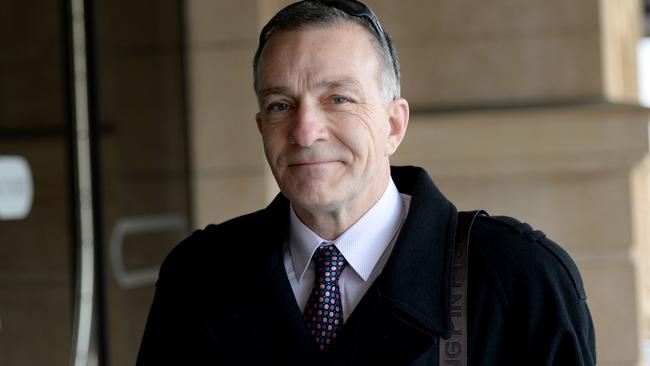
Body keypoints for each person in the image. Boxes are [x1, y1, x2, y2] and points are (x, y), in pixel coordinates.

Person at [137, 1, 596, 365]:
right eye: (281, 105)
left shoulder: (520, 278)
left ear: (393, 126)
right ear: (261, 126)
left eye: (338, 98)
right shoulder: (197, 278)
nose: (305, 131)